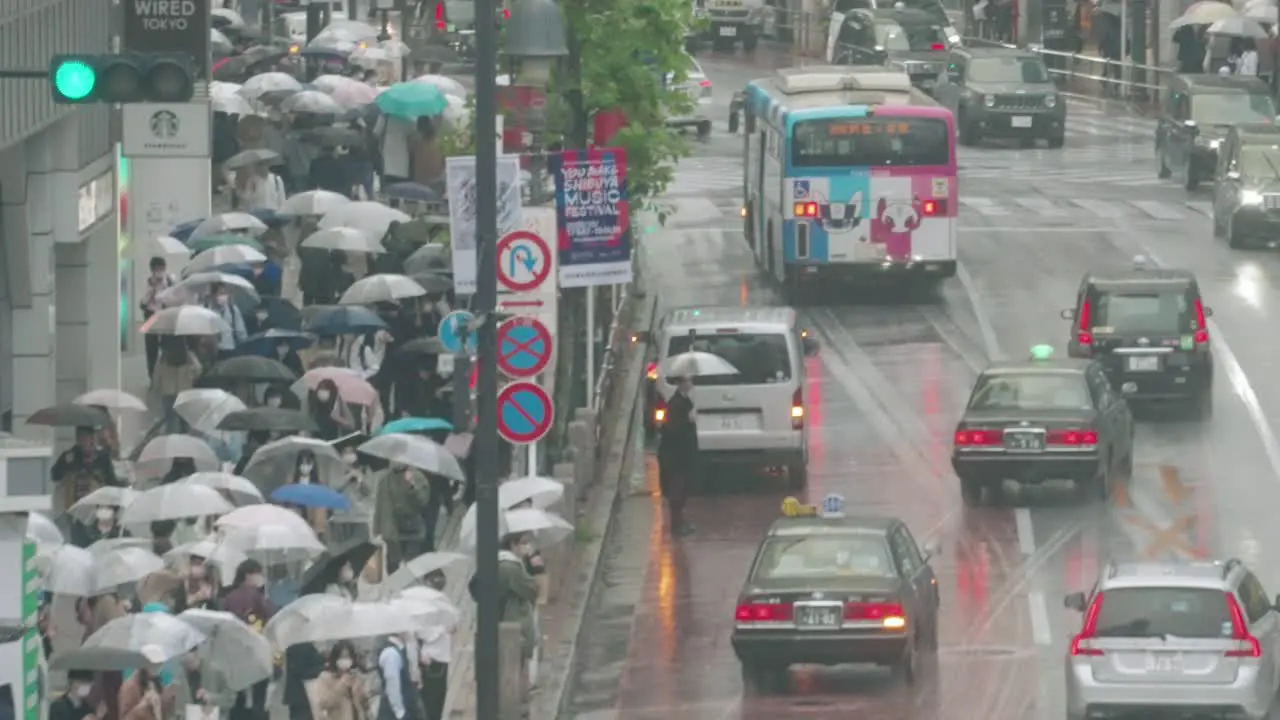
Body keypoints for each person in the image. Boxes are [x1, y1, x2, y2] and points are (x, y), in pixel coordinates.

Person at [224, 560, 274, 720]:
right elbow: (269, 621)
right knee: (258, 702)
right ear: (248, 575)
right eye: (258, 573)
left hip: (234, 658)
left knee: (239, 700)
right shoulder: (256, 597)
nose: (261, 577)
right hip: (257, 657)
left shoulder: (229, 598)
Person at [657, 373, 697, 537]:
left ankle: (680, 523)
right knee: (677, 490)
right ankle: (677, 525)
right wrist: (689, 421)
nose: (690, 384)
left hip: (681, 455)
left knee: (681, 489)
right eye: (688, 381)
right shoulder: (676, 404)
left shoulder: (683, 402)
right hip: (676, 456)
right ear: (680, 383)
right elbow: (673, 429)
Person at [496, 533, 540, 678]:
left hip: (500, 615)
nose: (526, 547)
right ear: (513, 545)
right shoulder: (511, 567)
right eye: (523, 543)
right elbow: (531, 590)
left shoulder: (497, 561)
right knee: (515, 660)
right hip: (512, 616)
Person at [372, 464, 431, 572]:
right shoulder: (385, 479)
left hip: (412, 530)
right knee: (392, 566)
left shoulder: (417, 477)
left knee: (411, 566)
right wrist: (377, 528)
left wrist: (411, 486)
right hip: (391, 531)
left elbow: (423, 502)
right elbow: (380, 504)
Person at [52, 426, 121, 511]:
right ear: (78, 439)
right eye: (84, 437)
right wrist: (64, 464)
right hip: (75, 505)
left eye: (91, 437)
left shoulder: (102, 457)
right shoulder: (70, 457)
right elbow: (55, 476)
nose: (89, 441)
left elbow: (111, 481)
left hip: (96, 505)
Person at [416, 571, 450, 720]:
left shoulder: (442, 601)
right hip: (431, 658)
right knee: (430, 701)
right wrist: (443, 628)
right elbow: (424, 633)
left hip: (443, 656)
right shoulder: (422, 607)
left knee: (439, 699)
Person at [152, 337, 202, 433]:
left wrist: (156, 387)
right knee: (186, 419)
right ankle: (186, 440)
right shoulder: (187, 355)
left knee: (171, 420)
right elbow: (198, 369)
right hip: (185, 391)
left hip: (168, 391)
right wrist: (191, 375)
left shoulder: (163, 357)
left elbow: (156, 375)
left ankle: (173, 441)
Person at [140, 257, 176, 379]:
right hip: (151, 316)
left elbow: (174, 299)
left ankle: (166, 375)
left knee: (168, 347)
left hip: (165, 316)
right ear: (152, 270)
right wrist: (152, 289)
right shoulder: (148, 282)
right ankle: (152, 377)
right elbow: (142, 303)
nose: (160, 272)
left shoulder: (170, 281)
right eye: (157, 269)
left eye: (162, 269)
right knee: (151, 349)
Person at [316, 641, 368, 720]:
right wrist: (341, 684)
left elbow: (364, 703)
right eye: (341, 657)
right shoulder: (325, 677)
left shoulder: (356, 676)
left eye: (348, 657)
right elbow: (324, 703)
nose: (345, 660)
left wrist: (361, 689)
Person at [118, 648, 173, 720]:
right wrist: (143, 704)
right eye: (155, 663)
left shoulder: (158, 685)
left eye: (160, 663)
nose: (158, 666)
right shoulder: (130, 687)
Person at [375, 633, 419, 720]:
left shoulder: (401, 649)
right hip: (393, 713)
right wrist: (400, 713)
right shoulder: (391, 653)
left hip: (404, 706)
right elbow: (392, 685)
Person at [206, 283, 248, 360]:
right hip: (213, 352)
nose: (224, 297)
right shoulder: (206, 311)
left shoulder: (233, 310)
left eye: (225, 294)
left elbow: (241, 332)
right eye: (220, 293)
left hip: (230, 350)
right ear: (213, 295)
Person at [284, 642, 325, 720]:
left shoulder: (294, 645)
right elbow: (304, 671)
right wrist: (324, 666)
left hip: (297, 696)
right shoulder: (302, 645)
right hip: (303, 695)